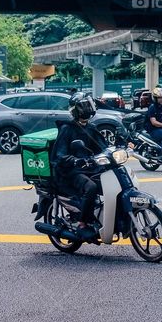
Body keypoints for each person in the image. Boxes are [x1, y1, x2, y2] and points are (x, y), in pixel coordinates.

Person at [51, 93, 105, 238]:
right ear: (76, 110)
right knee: (91, 187)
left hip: (89, 167)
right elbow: (59, 155)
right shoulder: (67, 129)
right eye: (83, 106)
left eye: (88, 104)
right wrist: (74, 160)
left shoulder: (91, 127)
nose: (87, 108)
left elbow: (103, 147)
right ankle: (83, 222)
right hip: (70, 171)